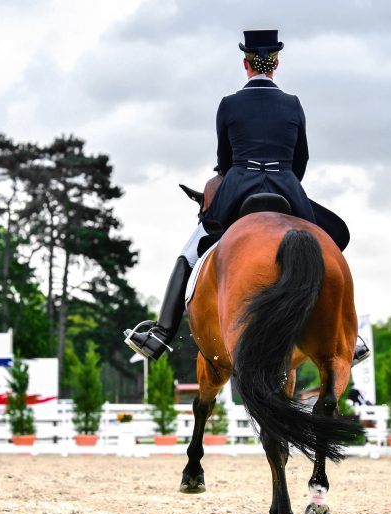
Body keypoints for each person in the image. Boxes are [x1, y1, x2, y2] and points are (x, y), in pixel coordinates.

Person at [125, 30, 370, 365]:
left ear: (246, 64)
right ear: (276, 64)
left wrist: (240, 176)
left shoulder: (229, 104)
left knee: (190, 251)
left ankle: (160, 334)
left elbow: (224, 160)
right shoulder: (292, 104)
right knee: (333, 238)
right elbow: (302, 159)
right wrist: (284, 181)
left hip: (238, 186)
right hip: (287, 187)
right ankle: (346, 334)